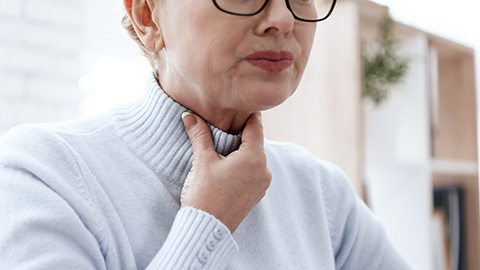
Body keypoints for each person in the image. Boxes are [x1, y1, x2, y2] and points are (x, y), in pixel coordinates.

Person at [0, 0, 417, 269]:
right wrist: (208, 222)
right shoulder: (40, 174)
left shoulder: (321, 193)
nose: (284, 19)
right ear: (147, 15)